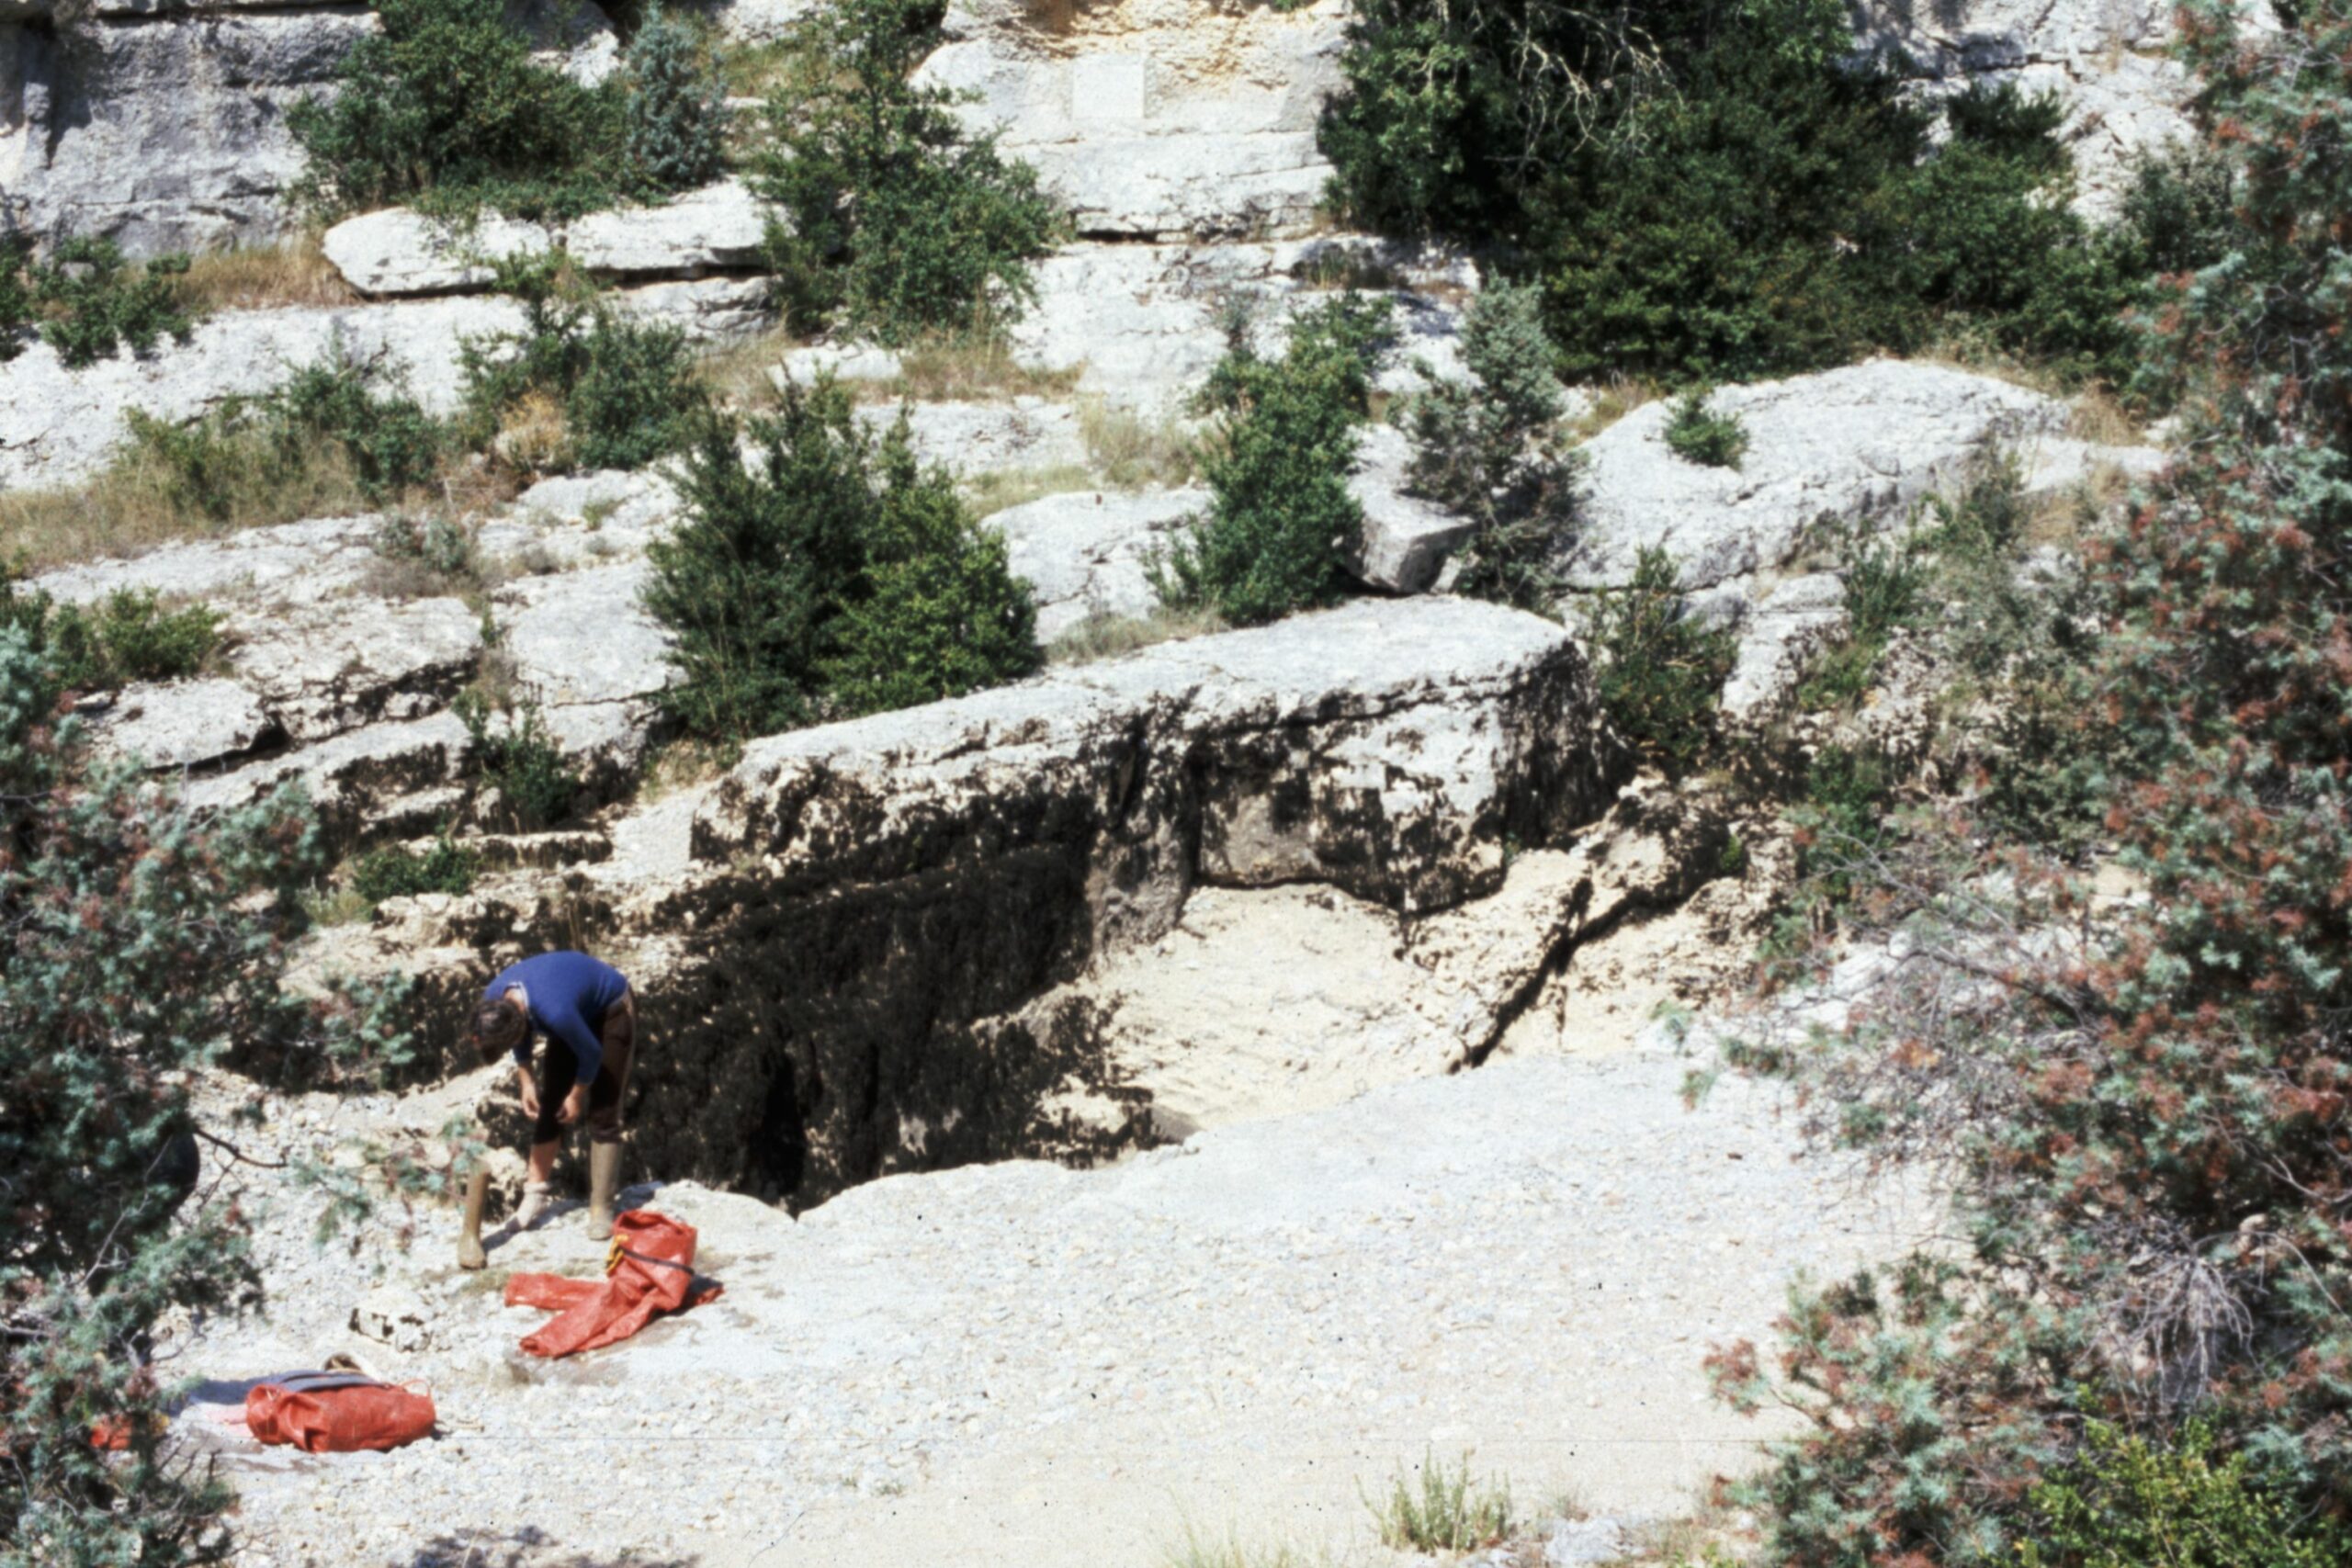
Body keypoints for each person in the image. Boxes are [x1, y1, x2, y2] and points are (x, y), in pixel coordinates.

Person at [456, 951, 638, 1270]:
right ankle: (535, 1195)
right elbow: (518, 1035)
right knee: (549, 1105)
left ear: (522, 1022)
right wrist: (526, 1080)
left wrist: (577, 1095)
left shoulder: (555, 1012)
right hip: (569, 1004)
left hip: (611, 1009)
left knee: (604, 1110)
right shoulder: (494, 1002)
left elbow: (591, 1054)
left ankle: (601, 1207)